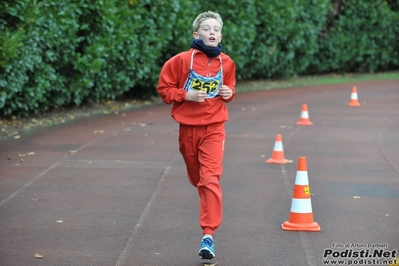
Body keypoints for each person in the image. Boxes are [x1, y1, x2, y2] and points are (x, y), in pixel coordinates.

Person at [156, 10, 236, 260]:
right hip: (188, 129)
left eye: (215, 29)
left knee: (210, 178)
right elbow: (164, 89)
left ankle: (208, 235)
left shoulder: (227, 62)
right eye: (206, 28)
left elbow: (231, 87)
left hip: (214, 127)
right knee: (197, 178)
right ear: (196, 34)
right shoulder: (180, 61)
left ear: (220, 35)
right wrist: (185, 95)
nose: (211, 32)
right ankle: (204, 193)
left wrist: (228, 93)